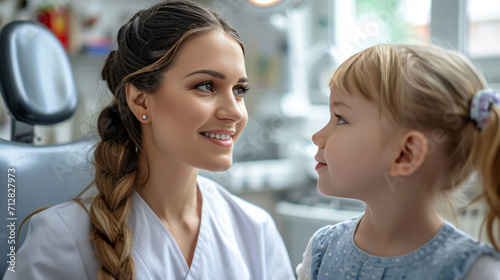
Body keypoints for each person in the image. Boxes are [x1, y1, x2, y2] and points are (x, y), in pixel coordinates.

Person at [3, 1, 294, 279]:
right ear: (141, 101)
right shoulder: (61, 239)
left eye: (240, 90)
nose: (235, 112)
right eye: (206, 86)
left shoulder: (254, 230)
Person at [296, 44, 500, 280]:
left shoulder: (476, 272)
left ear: (406, 154)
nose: (317, 136)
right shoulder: (321, 250)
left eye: (340, 119)